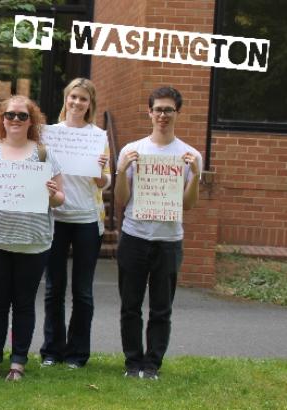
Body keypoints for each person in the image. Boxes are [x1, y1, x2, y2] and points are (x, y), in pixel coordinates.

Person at [0, 95, 65, 381]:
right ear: (2, 119)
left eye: (22, 115)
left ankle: (18, 360)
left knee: (23, 304)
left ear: (31, 120)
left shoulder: (44, 154)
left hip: (33, 242)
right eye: (10, 115)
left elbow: (60, 199)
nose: (15, 120)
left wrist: (51, 193)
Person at [114, 86, 201, 380]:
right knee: (130, 306)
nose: (162, 115)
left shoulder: (189, 155)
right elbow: (121, 200)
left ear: (177, 113)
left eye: (169, 110)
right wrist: (122, 170)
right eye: (158, 109)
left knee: (162, 308)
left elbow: (188, 205)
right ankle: (132, 362)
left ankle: (152, 365)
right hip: (134, 236)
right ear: (149, 112)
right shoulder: (131, 150)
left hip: (169, 241)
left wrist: (196, 177)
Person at [40, 78, 111, 369]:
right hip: (55, 217)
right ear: (65, 99)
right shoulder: (49, 134)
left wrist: (100, 174)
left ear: (90, 103)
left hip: (86, 219)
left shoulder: (98, 136)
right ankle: (52, 350)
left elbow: (105, 181)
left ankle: (77, 353)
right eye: (73, 97)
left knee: (82, 291)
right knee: (53, 287)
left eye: (83, 99)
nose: (77, 103)